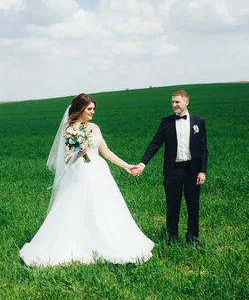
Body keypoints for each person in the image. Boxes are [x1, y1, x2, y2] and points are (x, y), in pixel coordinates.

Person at [20, 93, 154, 266]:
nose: (92, 112)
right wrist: (78, 154)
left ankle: (107, 241)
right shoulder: (71, 130)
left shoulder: (95, 127)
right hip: (80, 173)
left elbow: (107, 152)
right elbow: (67, 158)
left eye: (93, 109)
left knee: (104, 208)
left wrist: (127, 166)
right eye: (89, 109)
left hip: (99, 172)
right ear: (81, 109)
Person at [132, 90, 208, 246]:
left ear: (186, 102)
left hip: (192, 171)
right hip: (173, 171)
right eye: (172, 102)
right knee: (172, 206)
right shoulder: (166, 122)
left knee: (193, 206)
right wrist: (142, 163)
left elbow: (203, 148)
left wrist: (202, 171)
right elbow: (155, 144)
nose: (174, 105)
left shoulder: (198, 122)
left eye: (177, 102)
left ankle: (192, 237)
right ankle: (172, 238)